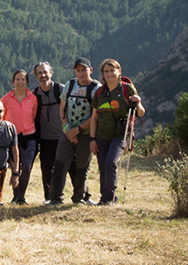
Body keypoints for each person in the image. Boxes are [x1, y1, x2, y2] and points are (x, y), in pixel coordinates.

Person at [46, 58, 101, 206]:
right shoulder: (70, 85)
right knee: (60, 164)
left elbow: (95, 115)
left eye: (84, 70)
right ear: (75, 72)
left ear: (91, 70)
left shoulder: (96, 88)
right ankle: (56, 198)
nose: (81, 73)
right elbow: (62, 108)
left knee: (82, 167)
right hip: (68, 132)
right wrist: (67, 129)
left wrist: (78, 130)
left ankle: (78, 198)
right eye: (78, 70)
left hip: (86, 134)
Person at [89, 59, 145, 205]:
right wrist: (92, 139)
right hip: (101, 135)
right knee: (103, 168)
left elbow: (140, 113)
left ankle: (110, 198)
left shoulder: (127, 89)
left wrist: (138, 102)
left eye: (112, 70)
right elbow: (94, 117)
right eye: (106, 71)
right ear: (103, 74)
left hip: (120, 135)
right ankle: (104, 198)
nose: (109, 74)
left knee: (110, 163)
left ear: (119, 72)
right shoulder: (100, 92)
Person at [31, 62, 68, 202]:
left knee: (74, 167)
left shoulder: (61, 90)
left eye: (45, 72)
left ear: (51, 73)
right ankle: (50, 198)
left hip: (64, 136)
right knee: (47, 170)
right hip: (46, 139)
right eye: (39, 73)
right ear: (36, 76)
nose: (43, 75)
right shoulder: (35, 95)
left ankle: (82, 196)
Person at [2, 70, 38, 205]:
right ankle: (15, 196)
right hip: (12, 138)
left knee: (27, 167)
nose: (20, 82)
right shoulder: (6, 99)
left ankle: (21, 197)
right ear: (13, 81)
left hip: (30, 137)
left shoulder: (33, 98)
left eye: (23, 79)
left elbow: (33, 115)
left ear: (27, 82)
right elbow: (2, 118)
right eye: (17, 79)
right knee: (14, 168)